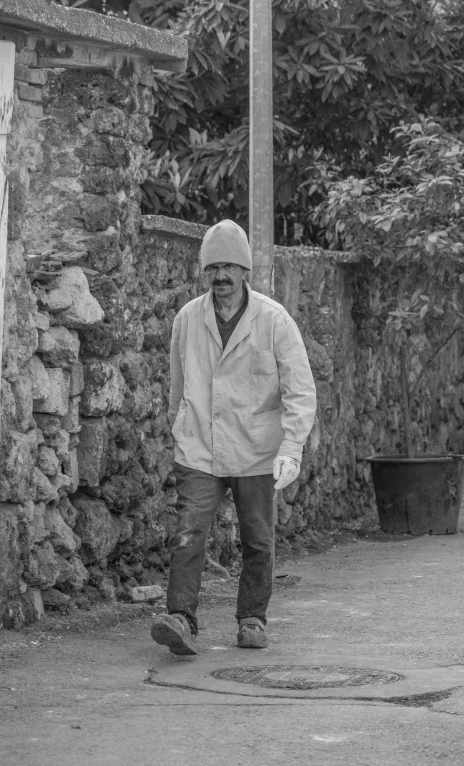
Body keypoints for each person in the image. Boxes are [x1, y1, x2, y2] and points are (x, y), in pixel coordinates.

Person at [151, 219, 316, 655]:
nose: (220, 276)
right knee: (188, 534)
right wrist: (179, 427)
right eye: (212, 268)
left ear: (245, 271)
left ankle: (252, 620)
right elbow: (177, 383)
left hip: (257, 450)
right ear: (204, 272)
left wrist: (291, 447)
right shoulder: (188, 318)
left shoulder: (274, 320)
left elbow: (300, 389)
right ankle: (181, 619)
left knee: (258, 540)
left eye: (229, 267)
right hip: (199, 446)